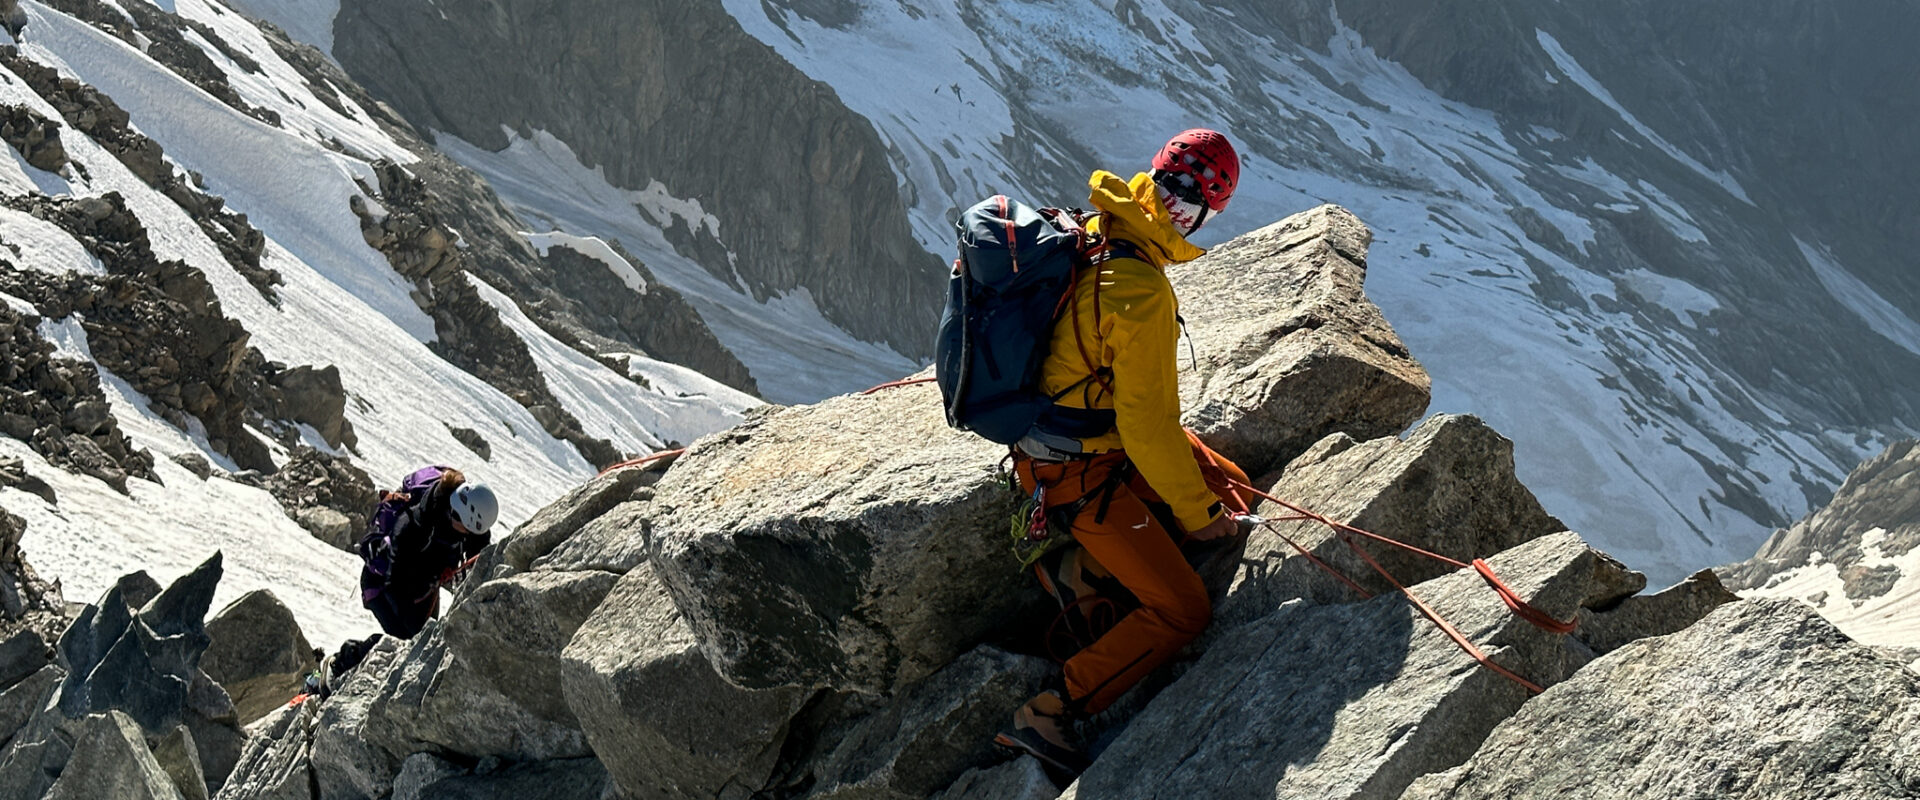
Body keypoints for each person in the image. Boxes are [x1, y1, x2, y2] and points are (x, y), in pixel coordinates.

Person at [993, 129, 1252, 774]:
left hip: (1061, 445)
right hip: (1078, 473)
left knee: (1234, 484)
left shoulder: (1094, 228)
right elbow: (1148, 430)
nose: (1177, 208)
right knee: (1184, 609)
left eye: (1189, 202)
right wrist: (1197, 515)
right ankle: (1052, 708)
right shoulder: (1138, 290)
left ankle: (1084, 575)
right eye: (1177, 194)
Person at [358, 466, 497, 639]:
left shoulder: (468, 517)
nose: (468, 535)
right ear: (457, 516)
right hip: (382, 582)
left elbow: (480, 550)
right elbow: (399, 582)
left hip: (422, 587)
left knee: (421, 640)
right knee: (407, 641)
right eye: (467, 530)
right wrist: (433, 576)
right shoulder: (415, 527)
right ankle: (342, 662)